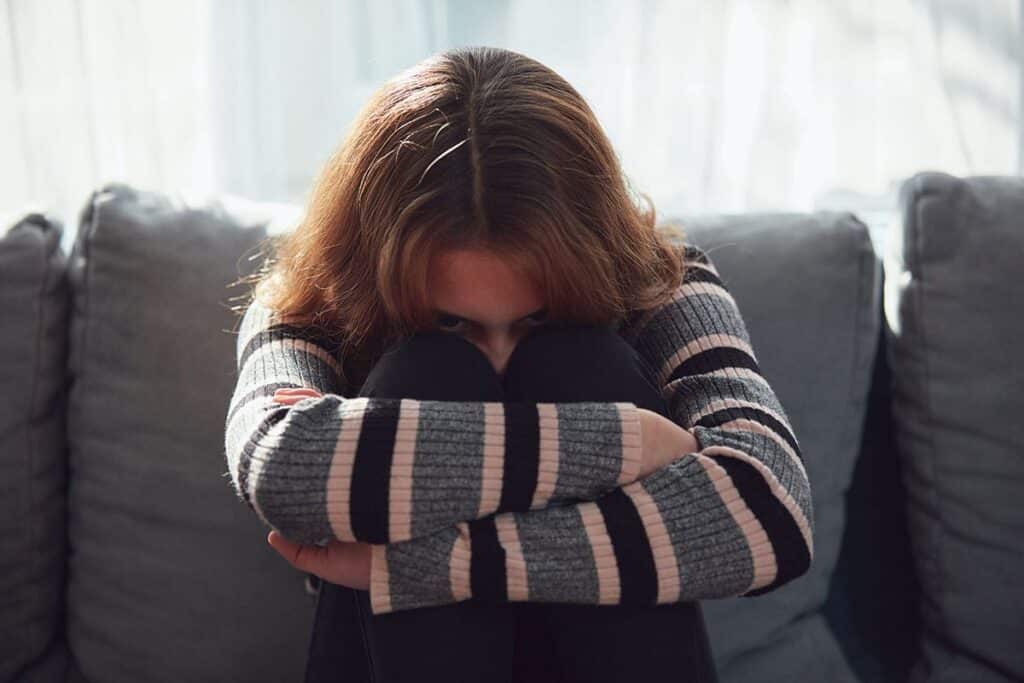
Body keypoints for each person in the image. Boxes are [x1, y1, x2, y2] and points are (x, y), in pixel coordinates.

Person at [224, 46, 814, 683]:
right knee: (429, 376)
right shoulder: (310, 300)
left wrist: (424, 568)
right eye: (455, 320)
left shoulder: (663, 283)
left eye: (535, 316)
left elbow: (772, 510)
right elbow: (283, 471)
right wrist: (632, 441)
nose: (501, 358)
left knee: (579, 364)